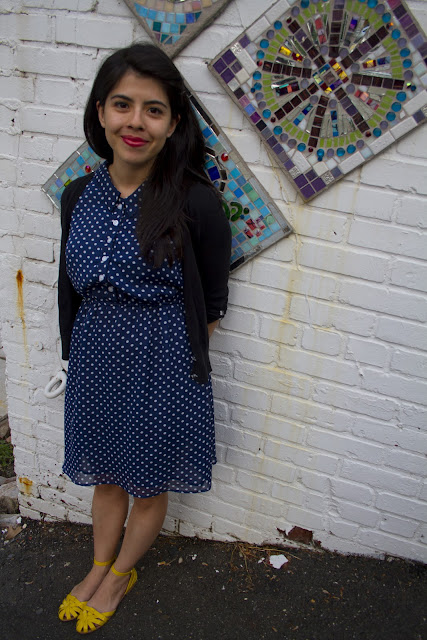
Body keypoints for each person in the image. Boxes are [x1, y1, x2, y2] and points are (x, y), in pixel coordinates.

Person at [56, 43, 231, 634]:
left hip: (165, 364)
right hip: (94, 358)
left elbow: (211, 301)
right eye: (123, 105)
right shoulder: (79, 195)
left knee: (148, 480)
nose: (136, 122)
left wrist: (175, 359)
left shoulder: (196, 201)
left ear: (173, 122)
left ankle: (122, 572)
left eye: (153, 110)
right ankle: (99, 564)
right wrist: (71, 354)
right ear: (101, 112)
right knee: (107, 474)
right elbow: (68, 285)